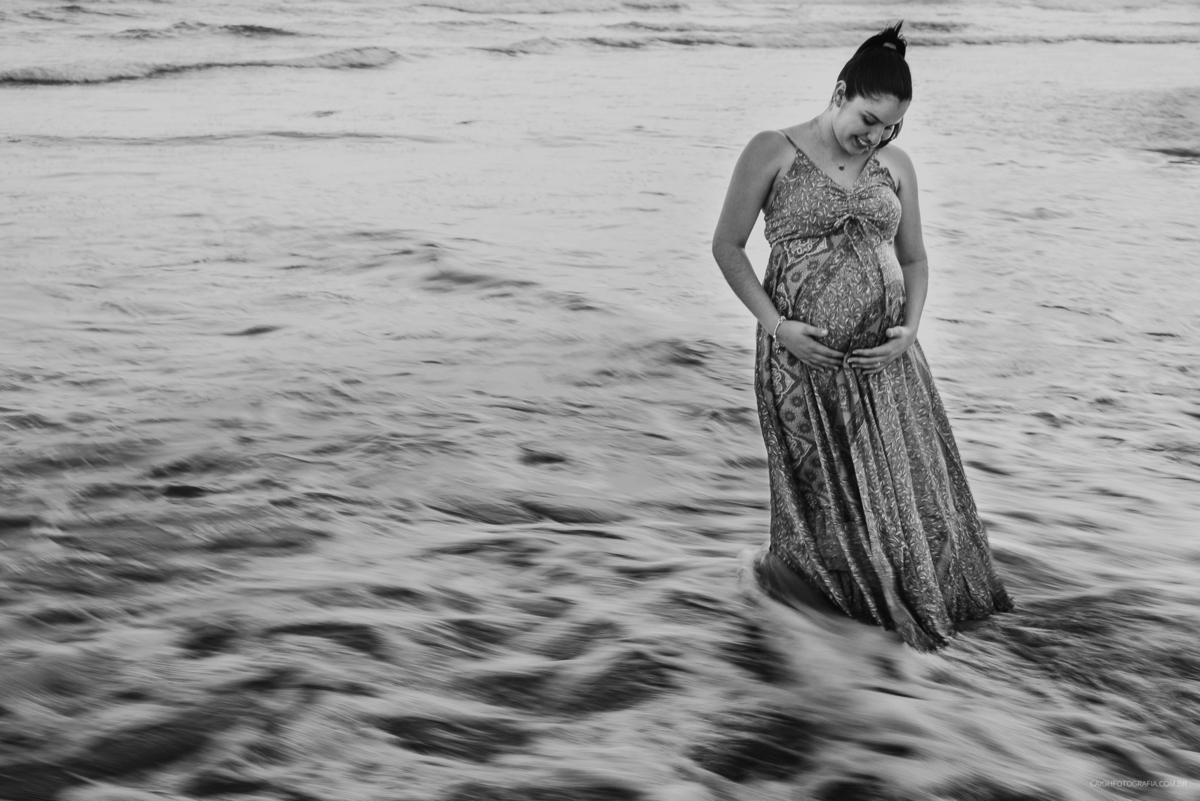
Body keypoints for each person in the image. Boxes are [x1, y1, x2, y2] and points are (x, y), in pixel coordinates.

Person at [711, 22, 1013, 651]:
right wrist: (777, 326)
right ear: (842, 91)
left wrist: (911, 331)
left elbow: (916, 260)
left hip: (886, 361)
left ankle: (907, 613)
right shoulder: (771, 148)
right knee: (820, 489)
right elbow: (727, 247)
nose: (875, 137)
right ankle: (824, 619)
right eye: (869, 119)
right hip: (800, 360)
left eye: (889, 127)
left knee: (900, 489)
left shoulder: (896, 166)